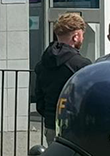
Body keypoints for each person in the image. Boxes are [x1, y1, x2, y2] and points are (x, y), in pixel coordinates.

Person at [35, 12, 92, 145]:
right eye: (82, 35)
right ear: (76, 36)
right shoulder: (81, 64)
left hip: (51, 123)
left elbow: (39, 99)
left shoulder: (43, 63)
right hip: (75, 125)